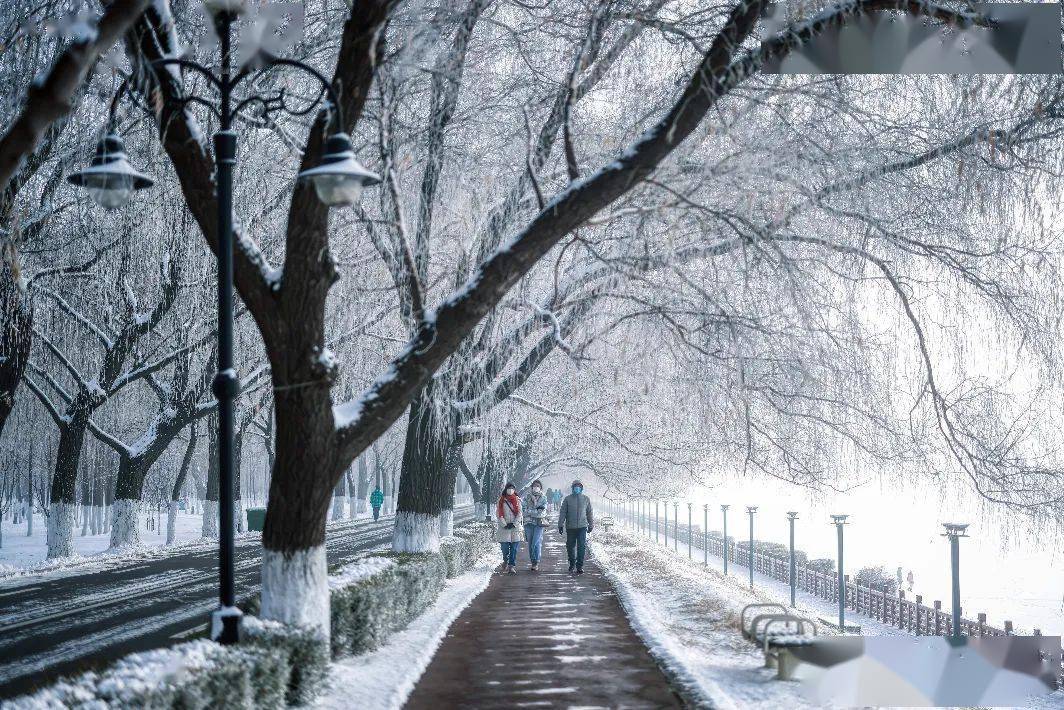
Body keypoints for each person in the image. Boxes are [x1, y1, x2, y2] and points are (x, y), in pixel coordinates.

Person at [558, 479, 593, 574]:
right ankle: (572, 562)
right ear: (572, 488)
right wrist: (560, 524)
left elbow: (589, 513)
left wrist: (591, 524)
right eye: (575, 487)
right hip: (570, 527)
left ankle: (579, 566)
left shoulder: (586, 499)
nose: (577, 488)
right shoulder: (567, 499)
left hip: (582, 526)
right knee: (570, 545)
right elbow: (563, 512)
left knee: (581, 546)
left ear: (581, 488)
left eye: (579, 487)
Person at [496, 481, 523, 574]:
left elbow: (520, 513)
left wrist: (514, 524)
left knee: (514, 549)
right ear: (506, 489)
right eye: (509, 488)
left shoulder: (517, 500)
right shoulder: (501, 500)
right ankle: (505, 560)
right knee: (505, 548)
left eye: (512, 488)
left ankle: (511, 565)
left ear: (514, 490)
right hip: (504, 528)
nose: (510, 490)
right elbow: (499, 514)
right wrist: (505, 524)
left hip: (515, 528)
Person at [523, 479, 549, 571]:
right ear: (532, 487)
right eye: (534, 486)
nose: (536, 487)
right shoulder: (527, 497)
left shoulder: (544, 498)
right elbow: (524, 511)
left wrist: (531, 512)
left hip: (539, 524)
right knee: (530, 543)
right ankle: (533, 562)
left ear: (540, 488)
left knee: (536, 542)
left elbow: (542, 513)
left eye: (538, 486)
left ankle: (537, 561)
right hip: (528, 523)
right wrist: (535, 511)